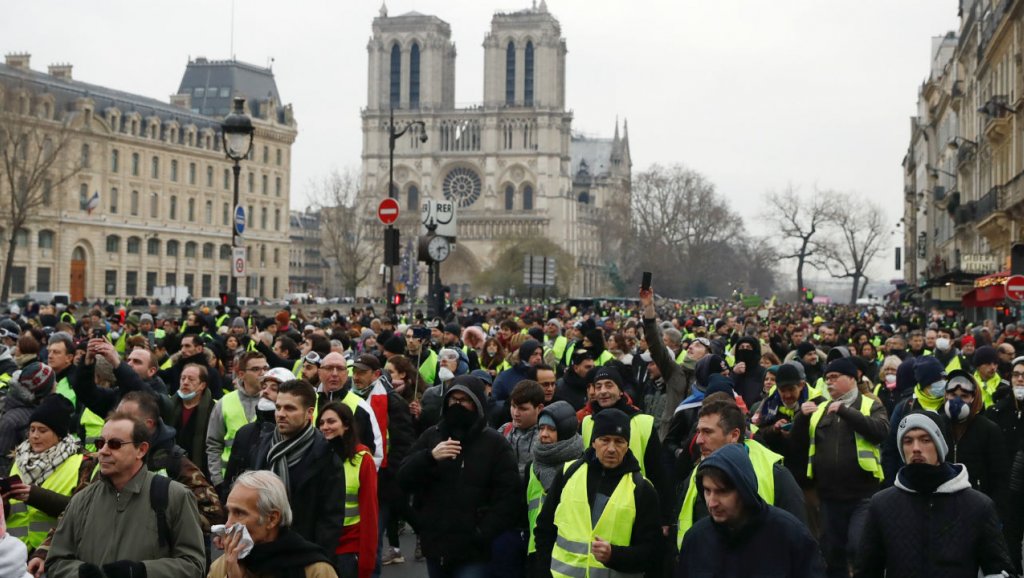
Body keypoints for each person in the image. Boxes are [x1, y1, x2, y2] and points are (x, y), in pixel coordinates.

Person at [854, 412, 1014, 577]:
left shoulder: (978, 505)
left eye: (925, 440)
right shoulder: (882, 504)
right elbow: (867, 569)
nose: (916, 448)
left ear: (940, 445)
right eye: (908, 441)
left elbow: (1000, 569)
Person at [46, 413, 206, 578]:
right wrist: (79, 573)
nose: (103, 451)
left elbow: (194, 565)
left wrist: (142, 572)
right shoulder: (81, 500)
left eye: (115, 444)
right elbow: (55, 561)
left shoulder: (174, 496)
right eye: (100, 443)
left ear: (141, 450)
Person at [399, 374, 521, 578]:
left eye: (464, 400)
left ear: (477, 404)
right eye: (453, 400)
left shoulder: (495, 443)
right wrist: (429, 457)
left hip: (473, 551)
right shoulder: (432, 436)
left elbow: (509, 496)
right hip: (435, 546)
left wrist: (482, 532)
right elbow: (403, 478)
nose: (458, 405)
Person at [533, 408, 662, 578]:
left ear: (627, 445)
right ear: (593, 442)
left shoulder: (642, 489)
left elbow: (652, 552)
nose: (611, 448)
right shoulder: (568, 474)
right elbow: (544, 529)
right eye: (605, 440)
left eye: (619, 441)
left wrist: (614, 555)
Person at [793, 358, 888, 578]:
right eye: (826, 378)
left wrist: (845, 411)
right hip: (828, 496)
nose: (829, 383)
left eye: (835, 377)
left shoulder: (869, 404)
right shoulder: (820, 408)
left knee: (859, 547)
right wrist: (801, 418)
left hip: (862, 495)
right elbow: (797, 445)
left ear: (852, 379)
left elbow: (881, 431)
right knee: (832, 554)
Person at [237, 379, 348, 566]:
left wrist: (314, 560)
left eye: (289, 408)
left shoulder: (325, 457)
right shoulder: (262, 446)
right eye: (278, 407)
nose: (280, 414)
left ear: (309, 413)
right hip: (258, 553)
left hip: (301, 556)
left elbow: (330, 520)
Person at [675, 444, 825, 577]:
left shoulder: (790, 535)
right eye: (707, 491)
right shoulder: (696, 539)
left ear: (744, 490)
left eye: (722, 492)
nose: (712, 502)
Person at [676, 398, 806, 548]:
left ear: (734, 435)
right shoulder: (696, 475)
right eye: (698, 432)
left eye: (707, 432)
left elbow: (799, 541)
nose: (698, 440)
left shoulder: (776, 475)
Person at [210, 470, 338, 578]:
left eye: (239, 513)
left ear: (272, 519)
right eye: (229, 512)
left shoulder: (315, 570)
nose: (228, 524)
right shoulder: (223, 566)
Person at [2, 395, 81, 551]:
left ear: (59, 434)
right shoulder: (19, 458)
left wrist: (35, 496)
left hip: (52, 552)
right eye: (32, 429)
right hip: (15, 551)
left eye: (42, 430)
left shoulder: (80, 462)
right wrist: (3, 502)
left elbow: (80, 510)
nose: (35, 436)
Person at [319, 402, 379, 578]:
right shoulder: (316, 456)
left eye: (331, 421)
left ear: (346, 425)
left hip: (347, 548)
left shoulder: (363, 459)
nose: (325, 427)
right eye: (321, 423)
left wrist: (367, 562)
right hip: (320, 546)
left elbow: (370, 514)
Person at [523, 400, 583, 567]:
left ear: (565, 430)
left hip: (570, 554)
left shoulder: (581, 465)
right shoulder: (532, 467)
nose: (544, 434)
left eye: (551, 429)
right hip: (536, 550)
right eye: (541, 428)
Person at [206, 351, 269, 488]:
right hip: (230, 479)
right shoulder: (224, 402)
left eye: (265, 368)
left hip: (264, 481)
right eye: (256, 369)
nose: (263, 373)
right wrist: (217, 480)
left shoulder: (274, 402)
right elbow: (213, 444)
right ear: (241, 374)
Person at [500, 380, 545, 479]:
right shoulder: (504, 430)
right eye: (513, 406)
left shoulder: (546, 437)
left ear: (539, 408)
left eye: (523, 409)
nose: (516, 413)